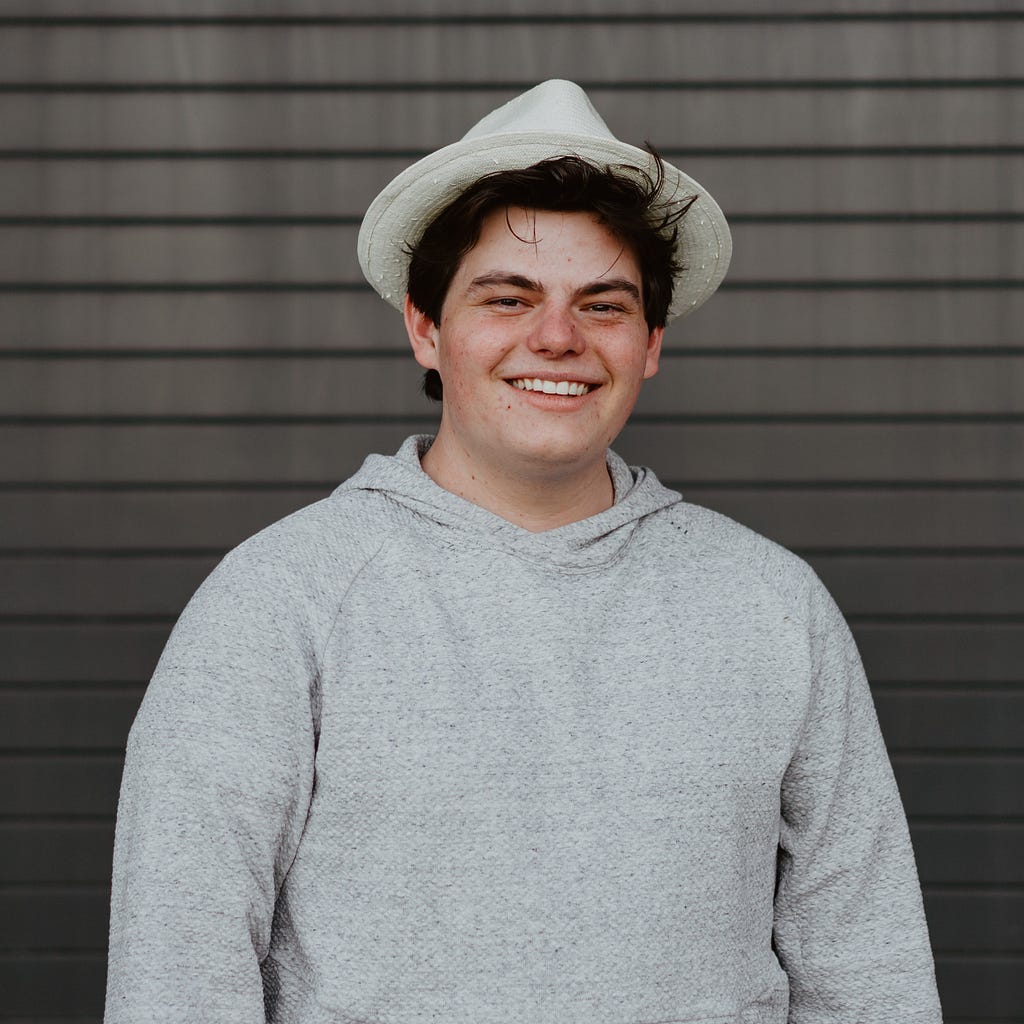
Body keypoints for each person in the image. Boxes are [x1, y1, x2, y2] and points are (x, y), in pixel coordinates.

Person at [105, 80, 942, 1023]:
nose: (558, 337)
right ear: (426, 328)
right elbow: (176, 976)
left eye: (604, 305)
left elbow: (867, 969)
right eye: (508, 296)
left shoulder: (771, 604)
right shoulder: (280, 601)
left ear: (651, 341)